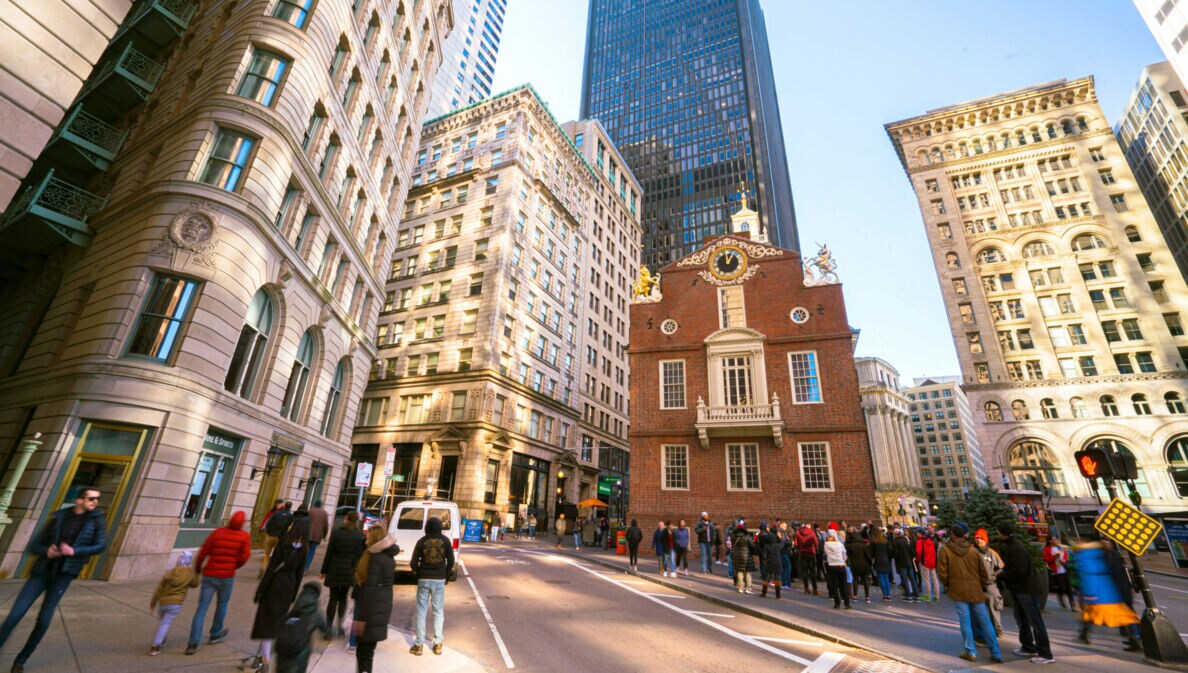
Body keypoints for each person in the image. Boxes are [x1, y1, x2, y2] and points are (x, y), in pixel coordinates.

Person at [0, 486, 107, 673]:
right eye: (91, 499)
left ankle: (21, 660)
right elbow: (34, 545)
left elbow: (100, 545)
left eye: (97, 499)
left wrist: (75, 551)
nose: (95, 502)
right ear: (79, 500)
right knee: (15, 615)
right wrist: (47, 551)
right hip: (41, 573)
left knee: (43, 620)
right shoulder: (59, 517)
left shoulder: (97, 520)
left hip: (63, 576)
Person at [249, 508, 309, 671]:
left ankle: (265, 660)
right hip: (288, 586)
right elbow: (299, 574)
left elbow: (271, 569)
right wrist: (293, 595)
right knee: (273, 623)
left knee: (266, 623)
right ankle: (259, 656)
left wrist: (260, 589)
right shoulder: (304, 548)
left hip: (275, 584)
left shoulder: (283, 543)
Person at [187, 510, 251, 655]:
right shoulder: (244, 536)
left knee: (202, 607)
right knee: (222, 604)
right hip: (227, 576)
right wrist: (234, 566)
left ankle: (192, 642)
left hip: (210, 574)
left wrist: (198, 568)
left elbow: (204, 551)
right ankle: (215, 633)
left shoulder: (218, 533)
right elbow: (245, 556)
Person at [938, 523, 1003, 663]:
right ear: (965, 535)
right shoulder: (973, 550)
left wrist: (949, 585)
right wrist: (980, 585)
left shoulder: (945, 550)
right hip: (975, 590)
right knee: (985, 621)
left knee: (965, 621)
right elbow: (983, 573)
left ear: (953, 534)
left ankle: (970, 651)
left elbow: (942, 573)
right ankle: (996, 652)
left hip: (958, 590)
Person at [997, 522, 1054, 663]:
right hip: (1019, 589)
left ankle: (1045, 653)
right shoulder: (1013, 546)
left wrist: (1002, 574)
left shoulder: (1016, 548)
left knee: (1035, 621)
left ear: (1002, 532)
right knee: (1022, 619)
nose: (997, 534)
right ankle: (1028, 646)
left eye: (998, 532)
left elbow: (1019, 571)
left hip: (1026, 589)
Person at [1074, 540, 1141, 651]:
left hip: (1108, 592)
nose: (1108, 545)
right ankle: (1135, 641)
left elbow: (1078, 549)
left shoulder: (1094, 557)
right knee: (1123, 616)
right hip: (1110, 592)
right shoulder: (1104, 556)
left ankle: (1135, 641)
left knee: (1123, 616)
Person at [354, 526, 397, 672]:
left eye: (367, 538)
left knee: (363, 655)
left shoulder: (375, 559)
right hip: (381, 611)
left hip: (370, 614)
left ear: (373, 539)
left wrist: (360, 620)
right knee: (368, 653)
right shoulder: (388, 558)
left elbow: (369, 592)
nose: (365, 540)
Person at [410, 516, 454, 656]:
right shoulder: (446, 541)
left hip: (424, 578)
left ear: (427, 527)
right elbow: (451, 561)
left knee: (421, 612)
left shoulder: (421, 541)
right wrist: (445, 575)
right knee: (438, 611)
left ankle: (419, 645)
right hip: (439, 579)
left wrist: (418, 574)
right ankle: (437, 644)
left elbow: (413, 562)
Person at [320, 509, 365, 639]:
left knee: (333, 598)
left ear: (347, 519)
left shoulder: (337, 532)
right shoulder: (358, 535)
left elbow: (329, 552)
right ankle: (339, 627)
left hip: (334, 568)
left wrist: (324, 570)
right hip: (348, 571)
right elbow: (358, 556)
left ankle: (329, 628)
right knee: (343, 598)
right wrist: (355, 570)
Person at [149, 550, 200, 656]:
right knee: (165, 624)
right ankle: (155, 646)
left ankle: (161, 638)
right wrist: (196, 573)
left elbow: (159, 588)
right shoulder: (189, 574)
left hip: (163, 603)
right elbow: (195, 584)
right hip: (176, 603)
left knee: (163, 622)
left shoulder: (170, 572)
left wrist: (153, 602)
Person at [274, 582, 326, 673]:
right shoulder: (315, 614)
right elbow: (327, 629)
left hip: (282, 654)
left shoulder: (293, 611)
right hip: (299, 655)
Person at [973, 528, 1005, 637]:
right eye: (976, 538)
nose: (978, 540)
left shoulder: (992, 553)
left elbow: (1001, 567)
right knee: (978, 611)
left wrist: (996, 574)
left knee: (994, 609)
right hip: (977, 586)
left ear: (985, 539)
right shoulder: (973, 552)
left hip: (991, 585)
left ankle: (997, 630)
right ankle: (981, 632)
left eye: (980, 538)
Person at [261, 500, 293, 575]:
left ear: (284, 506)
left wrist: (268, 532)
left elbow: (269, 523)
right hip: (280, 537)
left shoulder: (276, 513)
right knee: (276, 554)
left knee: (266, 554)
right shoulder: (290, 516)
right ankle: (271, 570)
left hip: (271, 535)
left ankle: (263, 567)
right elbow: (289, 528)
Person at [1043, 535, 1074, 610]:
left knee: (1069, 587)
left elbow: (1066, 555)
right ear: (1049, 541)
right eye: (1053, 539)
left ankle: (1073, 604)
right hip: (1056, 571)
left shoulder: (1060, 547)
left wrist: (1064, 560)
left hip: (1064, 569)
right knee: (1062, 588)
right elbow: (1046, 559)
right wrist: (1054, 557)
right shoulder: (1046, 549)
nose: (1055, 541)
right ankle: (1063, 601)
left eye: (1056, 539)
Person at [823, 529, 850, 609]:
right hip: (840, 565)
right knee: (844, 585)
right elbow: (844, 554)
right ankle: (847, 604)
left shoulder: (826, 544)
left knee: (834, 585)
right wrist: (843, 561)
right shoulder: (839, 544)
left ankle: (837, 603)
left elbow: (826, 553)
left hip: (831, 565)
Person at [892, 527, 920, 602]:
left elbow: (896, 555)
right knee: (912, 578)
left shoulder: (896, 542)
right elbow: (911, 551)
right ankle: (917, 595)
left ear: (895, 534)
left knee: (905, 579)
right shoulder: (906, 540)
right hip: (909, 562)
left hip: (902, 563)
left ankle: (908, 595)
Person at [845, 526, 873, 603]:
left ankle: (855, 596)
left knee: (855, 580)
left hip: (855, 565)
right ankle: (867, 597)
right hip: (864, 565)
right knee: (865, 581)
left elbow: (848, 556)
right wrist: (870, 563)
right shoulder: (863, 545)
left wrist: (849, 564)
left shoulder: (850, 545)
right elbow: (868, 556)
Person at [757, 522, 782, 598]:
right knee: (777, 578)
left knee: (767, 578)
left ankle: (764, 593)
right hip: (777, 561)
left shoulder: (766, 546)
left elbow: (764, 556)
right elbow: (782, 543)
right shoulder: (777, 545)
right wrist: (780, 538)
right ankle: (778, 595)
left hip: (769, 562)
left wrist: (765, 561)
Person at [795, 523, 819, 595]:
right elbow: (816, 543)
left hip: (802, 553)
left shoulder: (798, 532)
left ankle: (806, 588)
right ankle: (814, 589)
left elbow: (796, 544)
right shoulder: (812, 533)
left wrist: (799, 547)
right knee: (812, 571)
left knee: (804, 571)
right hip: (811, 553)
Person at [731, 521, 756, 594]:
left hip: (737, 556)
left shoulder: (733, 537)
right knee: (747, 572)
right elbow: (752, 546)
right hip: (746, 556)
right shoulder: (747, 537)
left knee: (740, 571)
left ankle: (741, 588)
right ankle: (748, 588)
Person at [917, 527, 940, 602]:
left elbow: (918, 552)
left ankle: (927, 596)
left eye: (917, 533)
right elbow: (933, 551)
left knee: (926, 580)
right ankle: (937, 596)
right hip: (932, 562)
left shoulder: (920, 541)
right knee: (935, 579)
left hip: (924, 563)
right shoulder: (929, 540)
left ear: (920, 534)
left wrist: (919, 560)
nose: (917, 534)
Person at [306, 500, 329, 573]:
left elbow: (306, 521)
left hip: (307, 534)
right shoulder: (324, 513)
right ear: (321, 505)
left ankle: (301, 566)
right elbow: (326, 526)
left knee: (305, 550)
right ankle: (305, 568)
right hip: (316, 536)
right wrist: (324, 535)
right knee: (311, 552)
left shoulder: (310, 511)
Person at [871, 527, 893, 601]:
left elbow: (872, 553)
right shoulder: (886, 541)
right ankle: (888, 594)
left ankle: (885, 595)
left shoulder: (874, 542)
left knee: (881, 579)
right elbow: (889, 552)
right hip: (885, 560)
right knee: (886, 578)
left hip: (878, 560)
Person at [778, 521, 794, 589]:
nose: (786, 527)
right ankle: (786, 584)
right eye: (785, 526)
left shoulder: (783, 532)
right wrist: (790, 543)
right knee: (788, 567)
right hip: (783, 552)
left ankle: (784, 583)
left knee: (785, 568)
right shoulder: (781, 532)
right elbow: (783, 542)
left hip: (783, 552)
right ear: (781, 526)